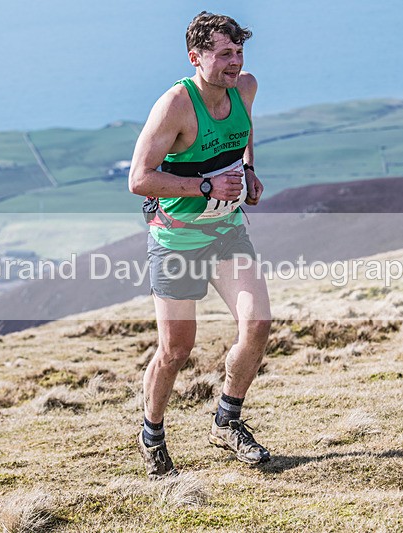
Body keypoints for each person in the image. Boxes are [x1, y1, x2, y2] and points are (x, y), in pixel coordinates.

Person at [128, 11, 272, 479]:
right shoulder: (174, 106)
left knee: (257, 325)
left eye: (239, 52)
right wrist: (208, 188)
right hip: (177, 240)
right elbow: (139, 179)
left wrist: (248, 170)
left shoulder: (245, 87)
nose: (234, 62)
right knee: (175, 350)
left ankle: (226, 421)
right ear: (196, 57)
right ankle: (152, 435)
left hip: (228, 232)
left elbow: (244, 133)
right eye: (223, 53)